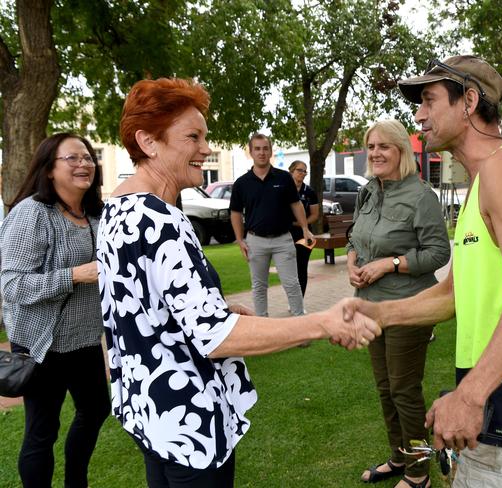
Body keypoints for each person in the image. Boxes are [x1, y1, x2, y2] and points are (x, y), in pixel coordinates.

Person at [96, 77, 381, 488]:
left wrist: (215, 305)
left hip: (149, 411)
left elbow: (141, 304)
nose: (206, 149)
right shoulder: (158, 219)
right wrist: (323, 322)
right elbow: (214, 338)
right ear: (148, 141)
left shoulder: (118, 209)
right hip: (186, 418)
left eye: (205, 137)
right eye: (192, 137)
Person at [343, 55, 502, 487]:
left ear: (469, 101)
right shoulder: (482, 183)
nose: (418, 114)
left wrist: (470, 395)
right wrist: (377, 315)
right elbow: (453, 294)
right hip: (500, 403)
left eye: (429, 100)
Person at [0, 133, 110, 488]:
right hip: (41, 344)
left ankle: (76, 482)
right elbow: (11, 285)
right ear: (49, 169)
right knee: (42, 432)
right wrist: (73, 276)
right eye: (73, 158)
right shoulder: (32, 213)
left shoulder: (95, 215)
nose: (84, 164)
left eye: (89, 158)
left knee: (95, 411)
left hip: (85, 341)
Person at [349, 119, 450, 488]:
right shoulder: (368, 192)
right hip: (370, 306)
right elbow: (355, 238)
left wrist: (390, 264)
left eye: (384, 147)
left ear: (401, 153)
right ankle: (398, 457)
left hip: (410, 307)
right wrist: (351, 261)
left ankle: (418, 472)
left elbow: (438, 252)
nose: (375, 153)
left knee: (405, 391)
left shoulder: (421, 196)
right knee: (385, 388)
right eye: (371, 146)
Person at [229, 134, 313, 317]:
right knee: (259, 287)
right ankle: (262, 327)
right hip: (255, 241)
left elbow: (296, 204)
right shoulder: (242, 183)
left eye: (265, 148)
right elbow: (235, 212)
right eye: (257, 149)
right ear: (250, 152)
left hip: (283, 240)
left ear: (270, 151)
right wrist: (239, 239)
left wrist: (305, 228)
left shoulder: (284, 178)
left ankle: (301, 326)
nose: (261, 152)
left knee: (292, 284)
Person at [288, 160, 319, 298]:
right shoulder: (284, 190)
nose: (303, 173)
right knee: (289, 270)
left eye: (305, 171)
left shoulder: (310, 192)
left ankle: (300, 300)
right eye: (299, 170)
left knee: (301, 268)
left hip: (304, 234)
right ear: (291, 171)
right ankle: (292, 300)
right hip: (285, 234)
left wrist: (301, 224)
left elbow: (315, 215)